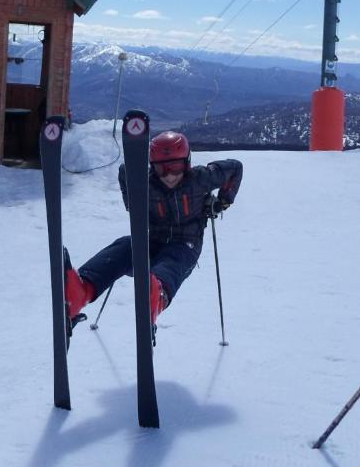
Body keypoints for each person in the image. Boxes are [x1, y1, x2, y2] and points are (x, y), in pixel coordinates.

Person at [65, 131, 242, 326]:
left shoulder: (200, 178)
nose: (169, 175)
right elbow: (125, 171)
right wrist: (132, 204)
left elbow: (235, 168)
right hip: (152, 240)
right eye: (161, 168)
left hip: (186, 243)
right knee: (124, 246)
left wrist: (223, 202)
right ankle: (81, 291)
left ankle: (157, 295)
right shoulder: (147, 181)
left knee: (171, 261)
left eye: (175, 167)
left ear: (187, 162)